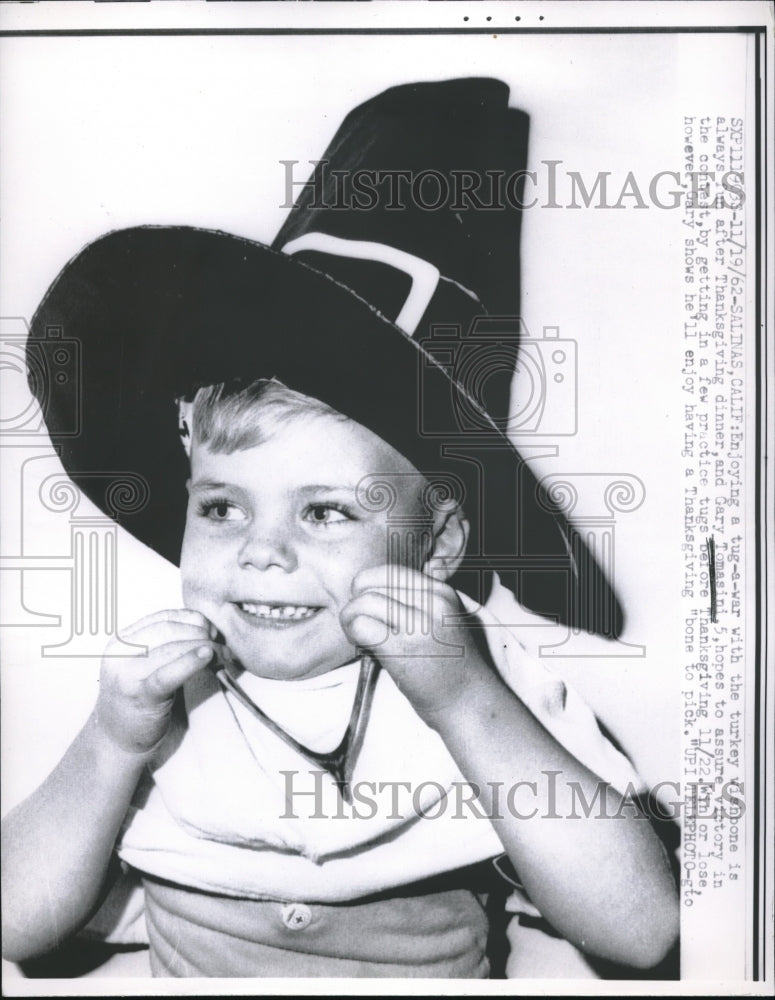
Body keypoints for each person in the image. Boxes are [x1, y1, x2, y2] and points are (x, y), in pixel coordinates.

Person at [2, 79, 679, 979]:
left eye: (323, 512)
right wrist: (110, 742)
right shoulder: (155, 696)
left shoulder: (486, 680)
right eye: (220, 507)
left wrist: (460, 699)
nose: (260, 551)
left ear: (436, 546)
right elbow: (14, 928)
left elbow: (642, 932)